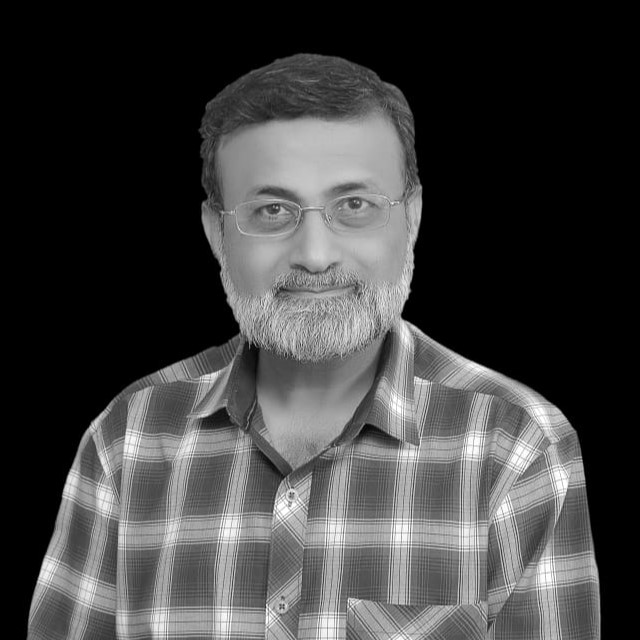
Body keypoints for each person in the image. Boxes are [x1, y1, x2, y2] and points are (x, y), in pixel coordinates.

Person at [28, 53, 600, 639]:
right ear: (216, 233)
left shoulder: (518, 447)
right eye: (272, 211)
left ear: (413, 218)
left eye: (354, 205)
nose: (316, 255)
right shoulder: (126, 440)